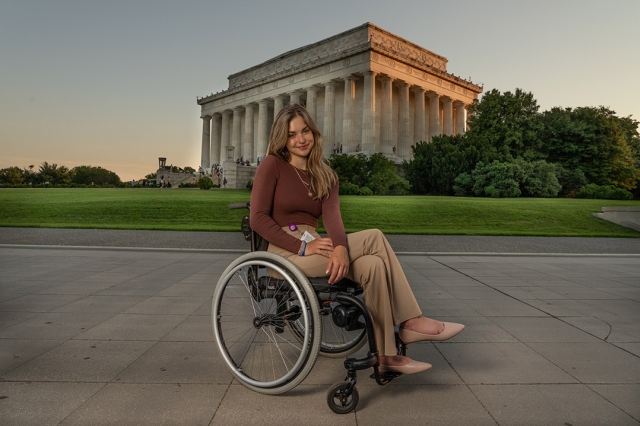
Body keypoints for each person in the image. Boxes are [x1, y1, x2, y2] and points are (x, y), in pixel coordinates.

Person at [250, 104, 464, 375]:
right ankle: (411, 321)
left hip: (317, 246)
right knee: (374, 236)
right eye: (292, 134)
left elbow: (333, 217)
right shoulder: (272, 166)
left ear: (314, 132)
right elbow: (258, 219)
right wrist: (304, 246)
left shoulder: (326, 176)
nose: (300, 139)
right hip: (285, 253)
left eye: (305, 131)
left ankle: (386, 356)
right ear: (282, 138)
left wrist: (339, 247)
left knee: (374, 265)